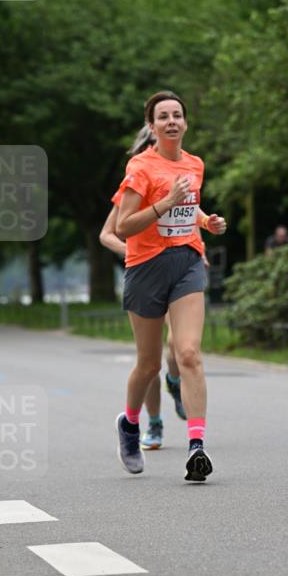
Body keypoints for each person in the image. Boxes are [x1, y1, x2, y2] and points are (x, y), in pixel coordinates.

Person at [106, 90, 226, 481]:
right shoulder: (141, 167)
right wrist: (165, 203)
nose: (171, 121)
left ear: (185, 123)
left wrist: (205, 222)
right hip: (145, 267)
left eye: (177, 115)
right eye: (163, 116)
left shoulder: (194, 164)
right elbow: (123, 226)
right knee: (149, 364)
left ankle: (196, 447)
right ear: (152, 125)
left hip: (187, 262)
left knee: (188, 353)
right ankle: (130, 424)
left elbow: (188, 206)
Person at [100, 127, 187, 452]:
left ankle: (175, 383)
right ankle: (154, 422)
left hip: (179, 270)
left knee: (179, 346)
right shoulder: (133, 185)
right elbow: (108, 233)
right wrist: (133, 253)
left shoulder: (180, 179)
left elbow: (189, 221)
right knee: (150, 361)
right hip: (146, 273)